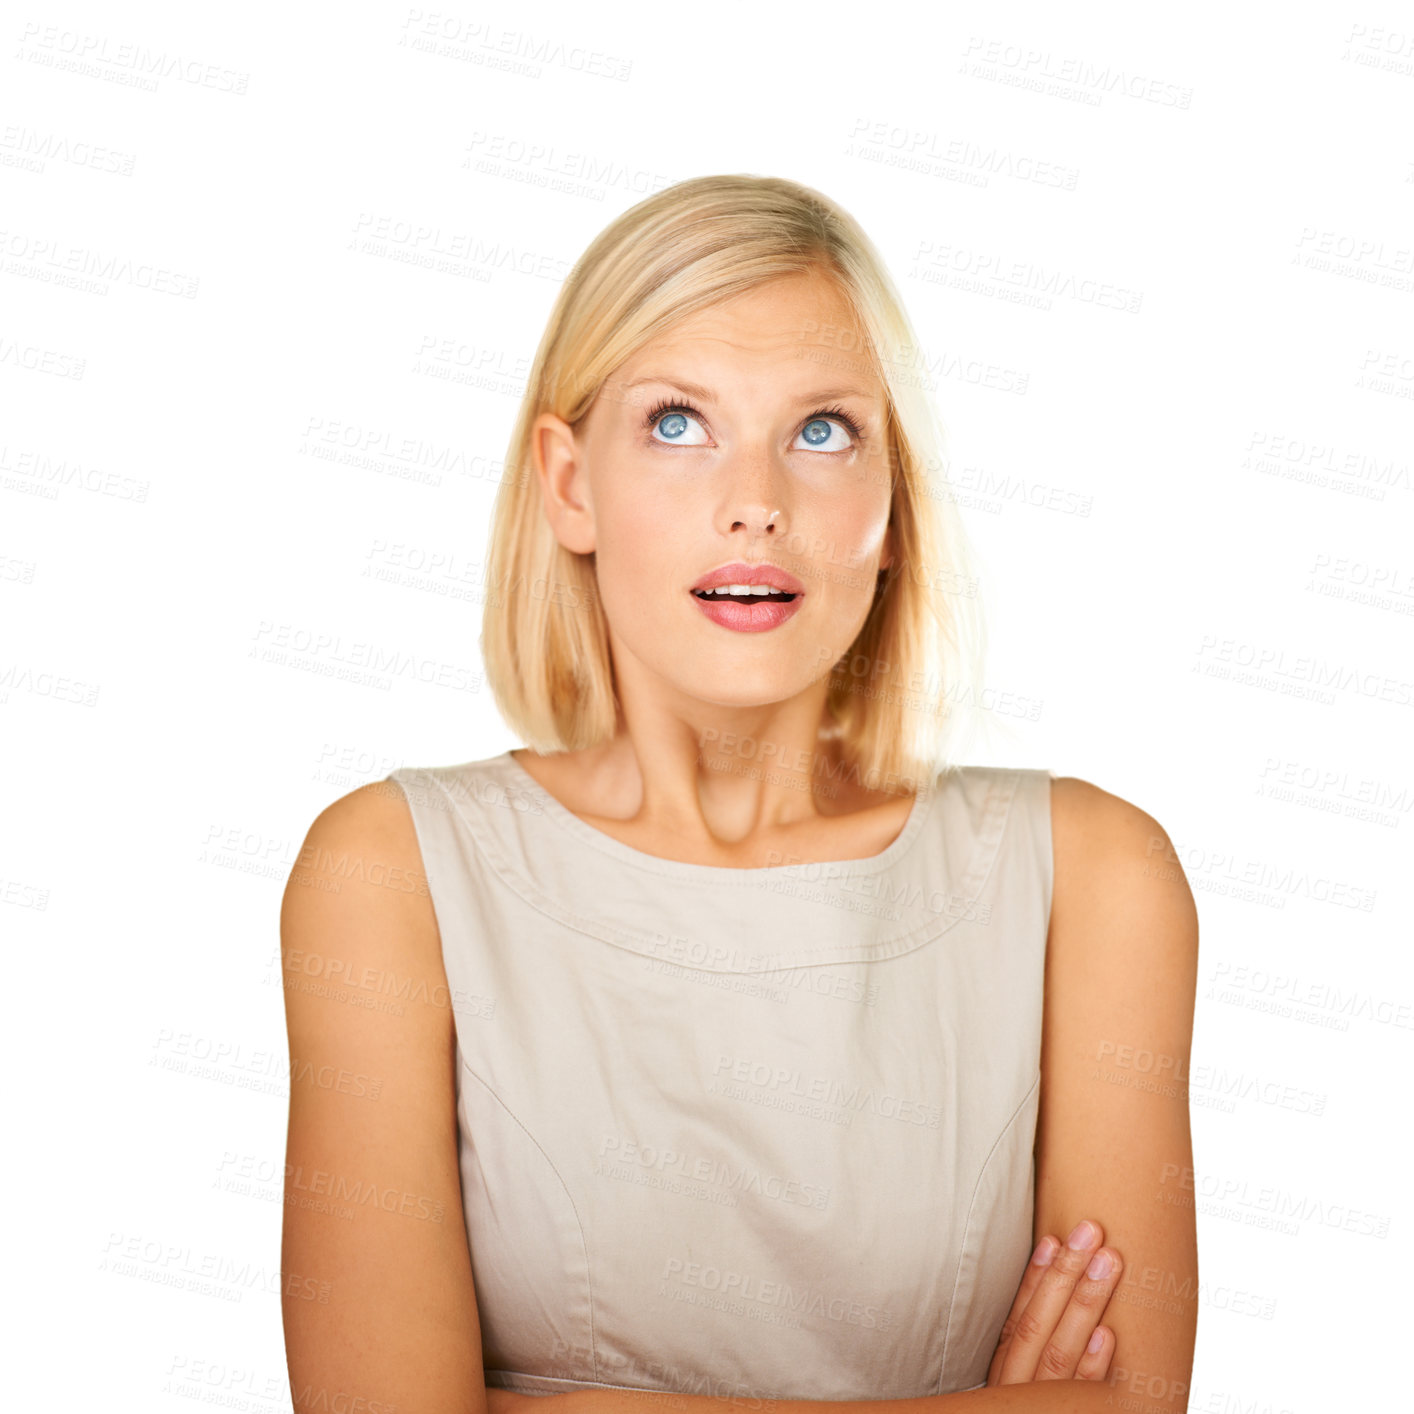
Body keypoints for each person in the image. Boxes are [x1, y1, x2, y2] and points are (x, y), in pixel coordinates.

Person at [279, 174, 1199, 1414]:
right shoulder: (390, 876)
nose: (756, 499)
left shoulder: (1090, 880)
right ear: (569, 484)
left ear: (892, 505)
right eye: (676, 422)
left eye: (822, 430)